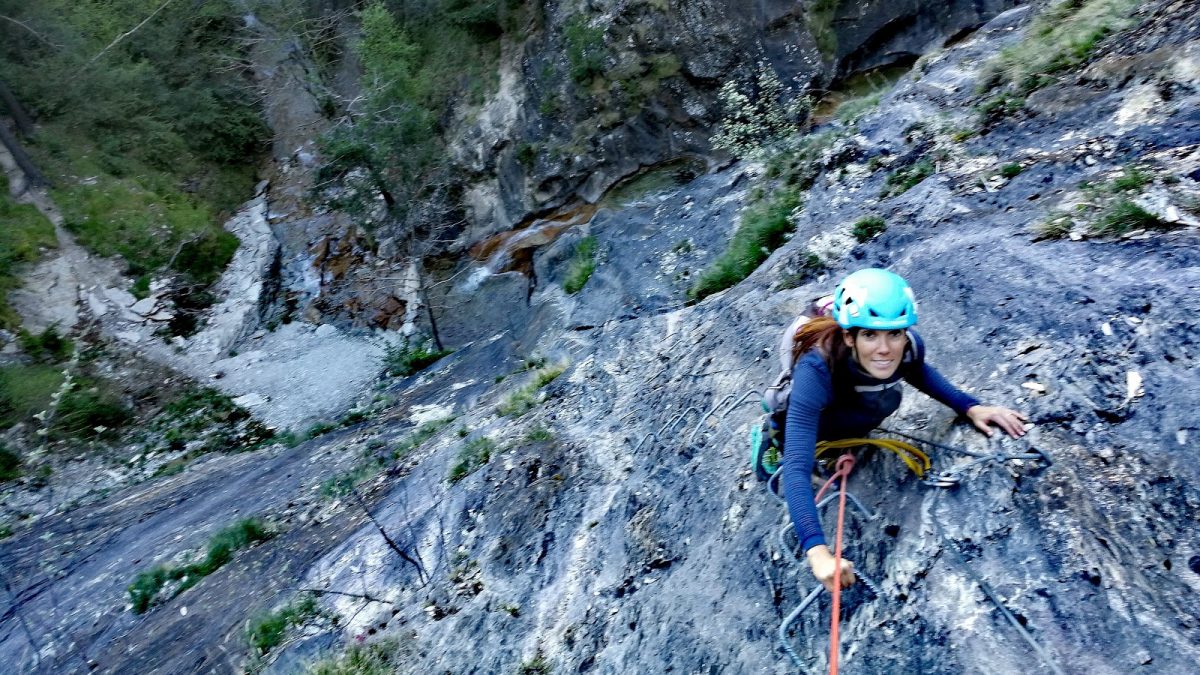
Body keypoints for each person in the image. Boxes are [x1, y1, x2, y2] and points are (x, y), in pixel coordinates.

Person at [781, 268, 1028, 593]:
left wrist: (970, 407)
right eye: (870, 335)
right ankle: (775, 430)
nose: (885, 348)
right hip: (810, 370)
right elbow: (796, 467)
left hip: (846, 367)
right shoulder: (816, 367)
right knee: (805, 414)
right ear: (849, 336)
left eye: (894, 334)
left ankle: (843, 413)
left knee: (885, 399)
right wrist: (818, 551)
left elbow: (918, 372)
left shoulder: (908, 347)